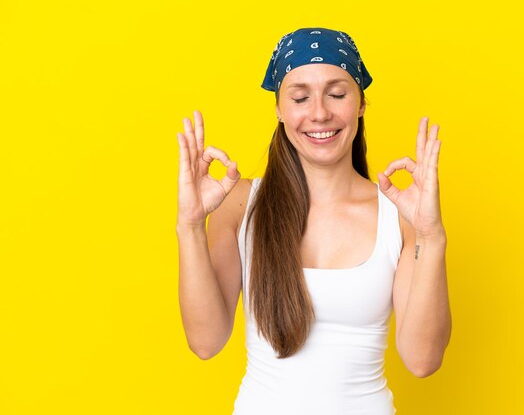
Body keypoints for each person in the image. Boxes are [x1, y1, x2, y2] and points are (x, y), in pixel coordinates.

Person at [175, 27, 451, 415]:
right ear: (279, 109)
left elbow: (422, 360)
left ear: (360, 104)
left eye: (337, 94)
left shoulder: (398, 214)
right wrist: (189, 227)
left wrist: (431, 235)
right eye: (300, 97)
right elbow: (205, 342)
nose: (319, 113)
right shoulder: (240, 203)